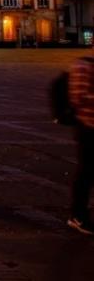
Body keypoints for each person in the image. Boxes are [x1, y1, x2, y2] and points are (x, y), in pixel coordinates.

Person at [68, 53, 94, 235]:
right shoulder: (83, 66)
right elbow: (78, 98)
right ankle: (78, 215)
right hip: (88, 128)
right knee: (86, 173)